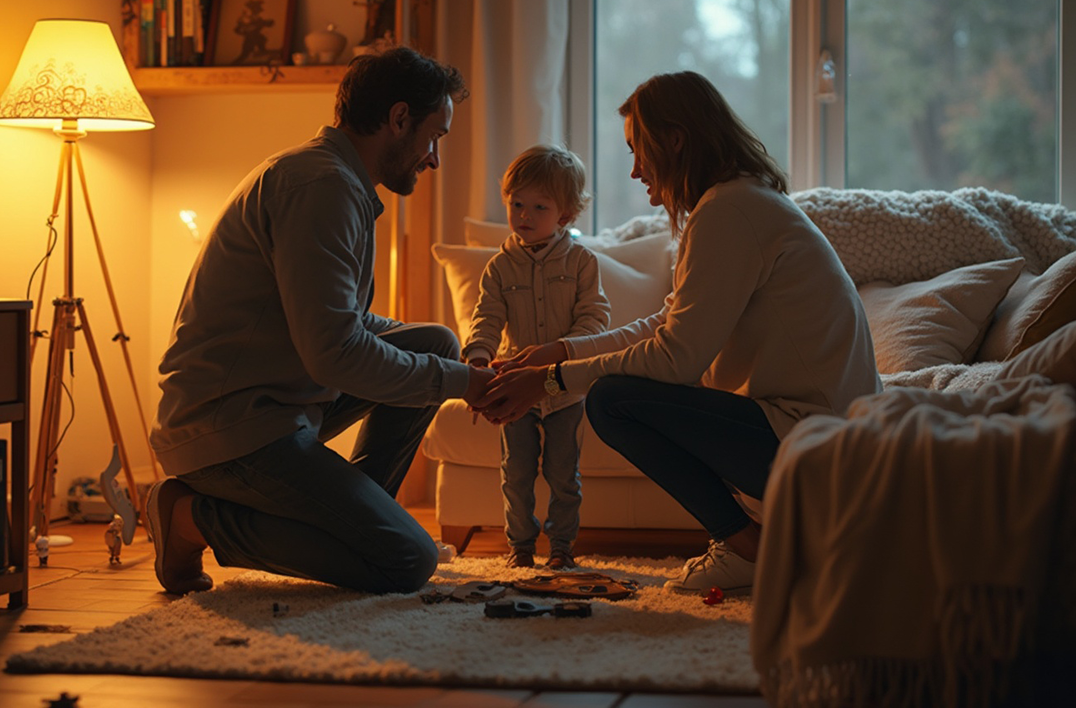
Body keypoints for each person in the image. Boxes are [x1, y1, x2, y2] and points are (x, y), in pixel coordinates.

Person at [476, 71, 881, 595]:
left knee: (612, 401)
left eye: (637, 151)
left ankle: (752, 549)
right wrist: (560, 352)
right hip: (819, 435)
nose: (636, 171)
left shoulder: (730, 212)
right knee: (610, 391)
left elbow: (676, 359)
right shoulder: (735, 204)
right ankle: (756, 543)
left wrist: (552, 380)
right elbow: (669, 323)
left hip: (821, 446)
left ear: (675, 140)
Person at [147, 47, 491, 596]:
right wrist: (464, 384)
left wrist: (451, 366)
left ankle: (352, 519)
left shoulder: (336, 181)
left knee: (436, 342)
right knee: (406, 561)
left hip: (272, 406)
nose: (434, 158)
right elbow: (335, 353)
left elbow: (339, 322)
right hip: (228, 428)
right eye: (436, 136)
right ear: (398, 119)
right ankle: (190, 518)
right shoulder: (321, 187)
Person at [463, 145, 610, 570]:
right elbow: (486, 319)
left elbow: (594, 322)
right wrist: (477, 358)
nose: (524, 215)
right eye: (517, 204)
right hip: (513, 389)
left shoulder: (583, 263)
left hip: (564, 390)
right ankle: (520, 548)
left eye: (539, 206)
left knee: (564, 475)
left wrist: (560, 358)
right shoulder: (499, 268)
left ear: (564, 215)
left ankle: (562, 547)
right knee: (517, 474)